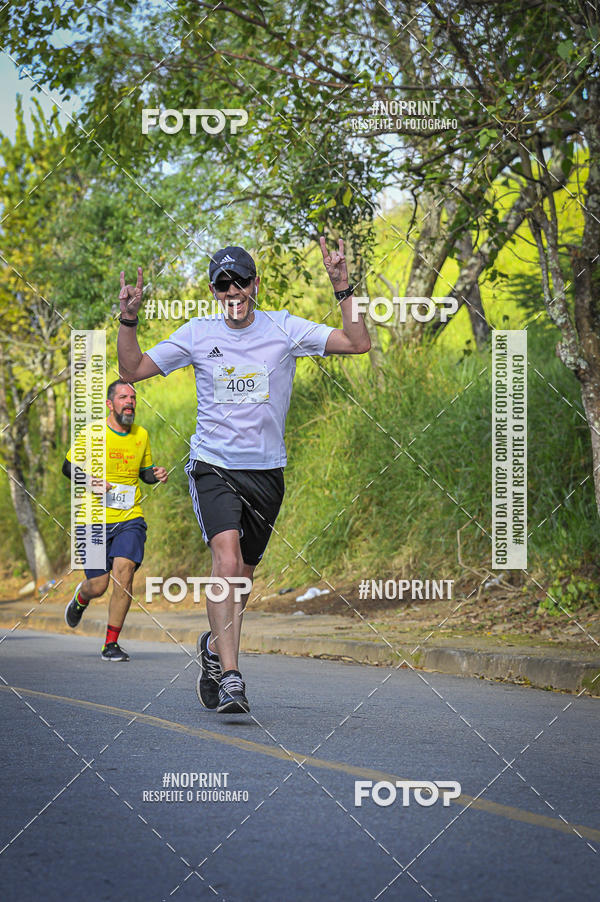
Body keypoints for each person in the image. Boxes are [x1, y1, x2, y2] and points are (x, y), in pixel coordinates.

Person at [117, 237, 370, 711]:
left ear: (255, 284)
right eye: (222, 284)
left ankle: (214, 649)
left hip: (267, 472)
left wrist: (342, 287)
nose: (232, 291)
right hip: (213, 465)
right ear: (214, 291)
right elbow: (129, 369)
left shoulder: (284, 328)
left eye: (239, 282)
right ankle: (233, 677)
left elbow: (358, 343)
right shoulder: (198, 333)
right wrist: (128, 319)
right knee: (227, 562)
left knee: (242, 581)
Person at [62, 380, 168, 661]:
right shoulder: (93, 432)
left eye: (133, 397)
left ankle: (110, 644)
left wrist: (153, 475)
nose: (130, 402)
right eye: (123, 397)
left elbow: (143, 472)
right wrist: (91, 481)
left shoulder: (141, 435)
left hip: (129, 516)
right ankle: (81, 598)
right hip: (93, 519)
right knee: (98, 586)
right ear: (110, 404)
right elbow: (67, 466)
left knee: (125, 572)